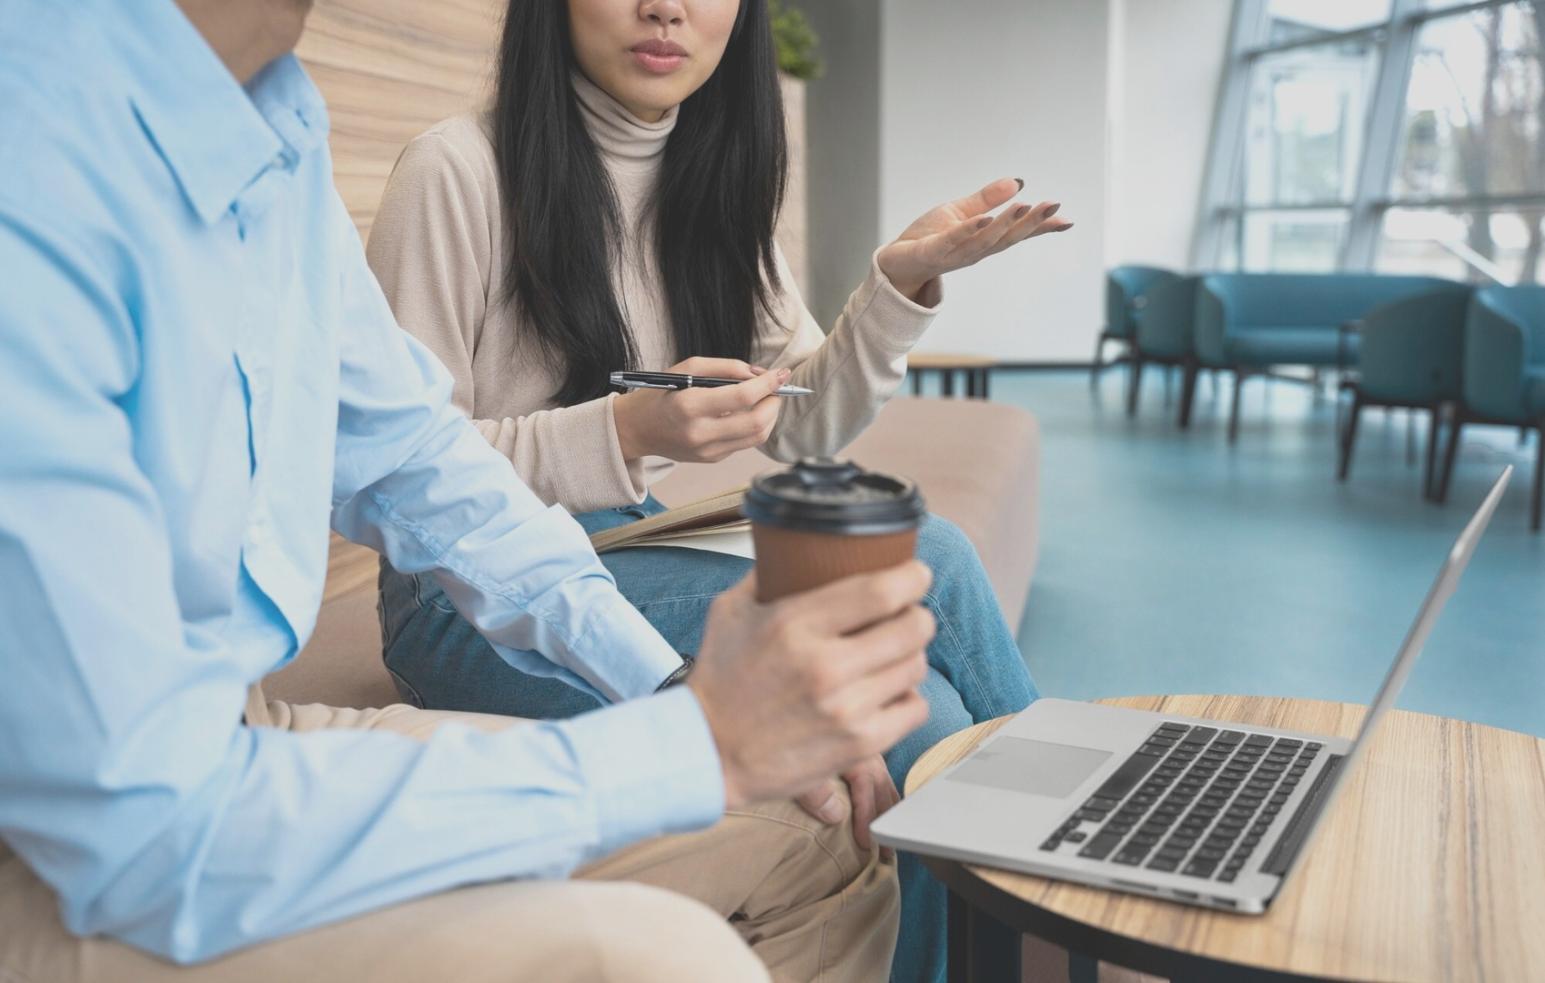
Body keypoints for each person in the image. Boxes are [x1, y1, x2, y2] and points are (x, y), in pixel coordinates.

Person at [0, 2, 942, 980]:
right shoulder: (37, 142)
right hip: (74, 834)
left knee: (819, 832)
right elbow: (138, 817)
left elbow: (418, 459)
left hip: (235, 735)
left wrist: (675, 691)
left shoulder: (270, 120)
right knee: (671, 954)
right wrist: (692, 743)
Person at [365, 2, 1070, 979]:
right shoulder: (455, 170)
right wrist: (622, 432)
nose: (667, 6)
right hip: (460, 597)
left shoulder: (711, 179)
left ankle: (1068, 863)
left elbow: (803, 420)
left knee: (929, 622)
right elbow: (397, 473)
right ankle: (1083, 861)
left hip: (631, 542)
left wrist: (896, 288)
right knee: (919, 682)